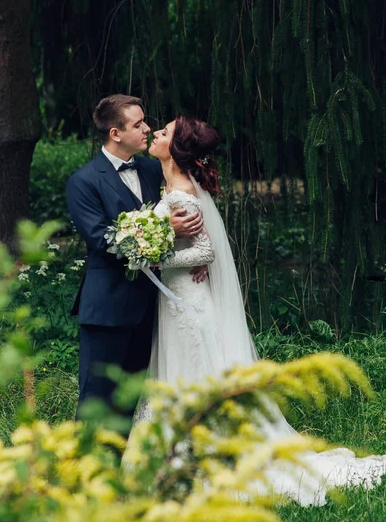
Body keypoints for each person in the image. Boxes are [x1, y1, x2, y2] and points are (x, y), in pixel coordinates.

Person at [142, 112, 386, 506]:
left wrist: (154, 259)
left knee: (196, 370)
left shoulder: (183, 194)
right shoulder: (173, 187)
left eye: (165, 131)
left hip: (188, 301)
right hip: (178, 300)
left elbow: (204, 250)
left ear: (178, 148)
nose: (156, 132)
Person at [66, 95, 206, 425]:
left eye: (145, 121)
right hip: (107, 309)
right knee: (96, 399)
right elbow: (104, 241)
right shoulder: (84, 182)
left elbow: (191, 194)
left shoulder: (150, 167)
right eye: (138, 124)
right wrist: (164, 229)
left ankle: (120, 469)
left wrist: (197, 249)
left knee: (134, 401)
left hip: (151, 307)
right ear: (115, 133)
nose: (147, 128)